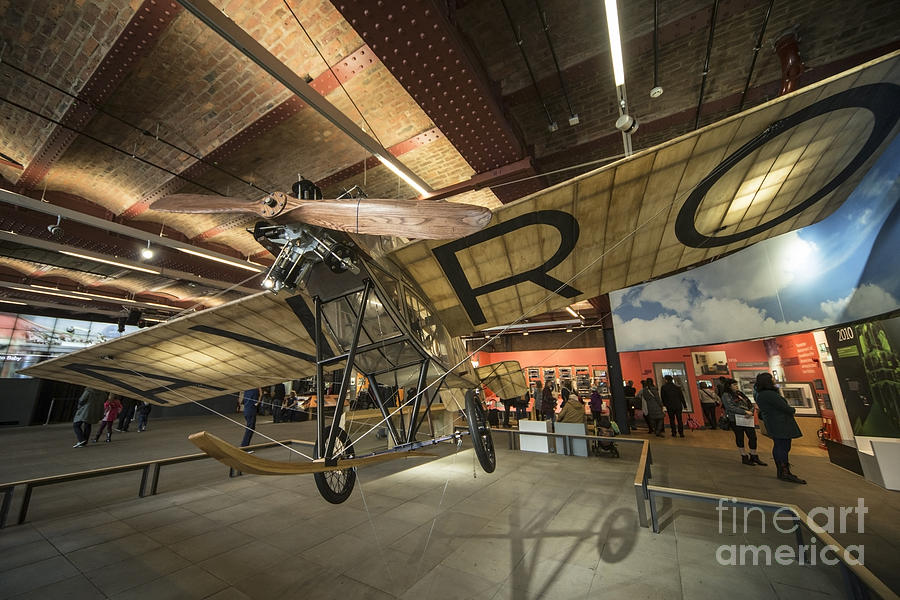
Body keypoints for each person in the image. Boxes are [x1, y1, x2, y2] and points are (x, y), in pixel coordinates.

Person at [755, 372, 805, 484]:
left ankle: (782, 471)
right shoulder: (769, 394)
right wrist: (792, 410)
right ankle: (784, 472)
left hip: (774, 423)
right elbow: (784, 407)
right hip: (780, 423)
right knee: (783, 446)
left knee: (779, 445)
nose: (774, 380)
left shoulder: (761, 394)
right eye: (771, 378)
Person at [721, 379, 767, 466]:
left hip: (747, 418)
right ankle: (744, 456)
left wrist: (751, 411)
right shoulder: (726, 395)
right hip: (735, 419)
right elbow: (730, 407)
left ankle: (753, 455)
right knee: (740, 437)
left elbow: (749, 403)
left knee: (752, 437)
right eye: (734, 384)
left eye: (736, 384)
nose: (736, 386)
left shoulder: (739, 393)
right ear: (729, 386)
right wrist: (745, 412)